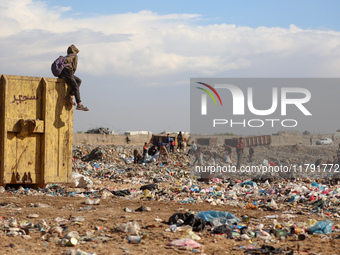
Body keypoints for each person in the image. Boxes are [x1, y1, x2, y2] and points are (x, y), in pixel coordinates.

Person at [58, 44, 89, 111]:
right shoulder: (74, 56)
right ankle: (79, 104)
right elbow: (74, 67)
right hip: (67, 72)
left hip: (62, 73)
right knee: (75, 86)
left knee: (78, 81)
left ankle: (71, 95)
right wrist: (71, 73)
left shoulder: (66, 56)